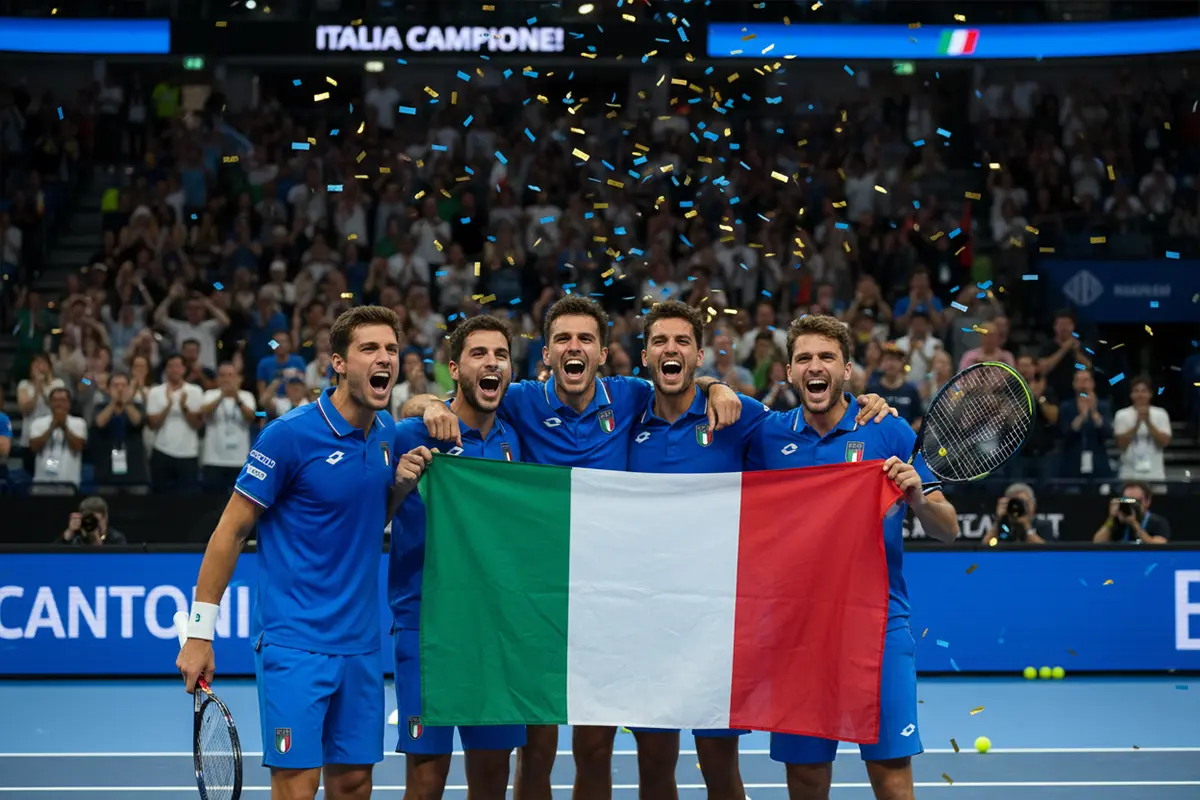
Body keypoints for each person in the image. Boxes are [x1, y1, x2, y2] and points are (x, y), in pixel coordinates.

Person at [403, 296, 744, 800]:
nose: (574, 347)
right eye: (563, 339)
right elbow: (447, 400)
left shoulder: (630, 397)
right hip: (537, 607)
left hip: (611, 604)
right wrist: (428, 403)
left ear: (604, 353)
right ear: (546, 354)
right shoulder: (518, 400)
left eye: (585, 339)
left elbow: (686, 384)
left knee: (598, 751)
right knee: (536, 755)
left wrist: (716, 384)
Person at [626, 301, 895, 800]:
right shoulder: (624, 411)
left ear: (700, 354)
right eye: (661, 342)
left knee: (719, 767)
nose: (671, 350)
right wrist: (426, 401)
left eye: (683, 342)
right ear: (644, 356)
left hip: (715, 622)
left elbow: (809, 417)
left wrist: (867, 402)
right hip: (647, 618)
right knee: (653, 766)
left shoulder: (745, 418)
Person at [177, 306, 417, 800]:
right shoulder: (288, 435)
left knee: (353, 784)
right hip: (295, 645)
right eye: (369, 348)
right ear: (338, 363)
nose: (384, 358)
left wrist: (400, 489)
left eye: (391, 349)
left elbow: (367, 520)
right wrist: (199, 634)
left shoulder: (388, 434)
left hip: (362, 647)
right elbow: (230, 532)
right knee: (297, 787)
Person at [747, 314, 959, 800]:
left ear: (847, 371)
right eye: (804, 358)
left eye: (826, 357)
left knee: (890, 776)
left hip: (879, 625)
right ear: (789, 371)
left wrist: (919, 499)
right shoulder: (768, 437)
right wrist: (717, 388)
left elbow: (946, 530)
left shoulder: (886, 430)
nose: (814, 366)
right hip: (799, 632)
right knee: (806, 777)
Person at [390, 315, 525, 800]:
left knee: (491, 780)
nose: (492, 362)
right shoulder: (409, 435)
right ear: (454, 367)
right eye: (479, 354)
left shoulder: (516, 440)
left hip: (495, 632)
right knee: (425, 779)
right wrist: (426, 406)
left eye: (501, 355)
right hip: (427, 629)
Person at [1092, 481, 1171, 544]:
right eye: (1128, 501)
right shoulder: (1116, 522)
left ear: (1148, 501)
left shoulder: (1157, 522)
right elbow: (1097, 542)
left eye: (1137, 501)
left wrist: (1134, 524)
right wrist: (1111, 518)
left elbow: (1159, 547)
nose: (1132, 505)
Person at [983, 483, 1054, 545]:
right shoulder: (1003, 526)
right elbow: (985, 547)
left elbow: (1045, 552)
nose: (1017, 507)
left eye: (1022, 503)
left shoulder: (1043, 525)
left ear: (1033, 505)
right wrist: (998, 520)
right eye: (1015, 503)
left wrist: (1027, 527)